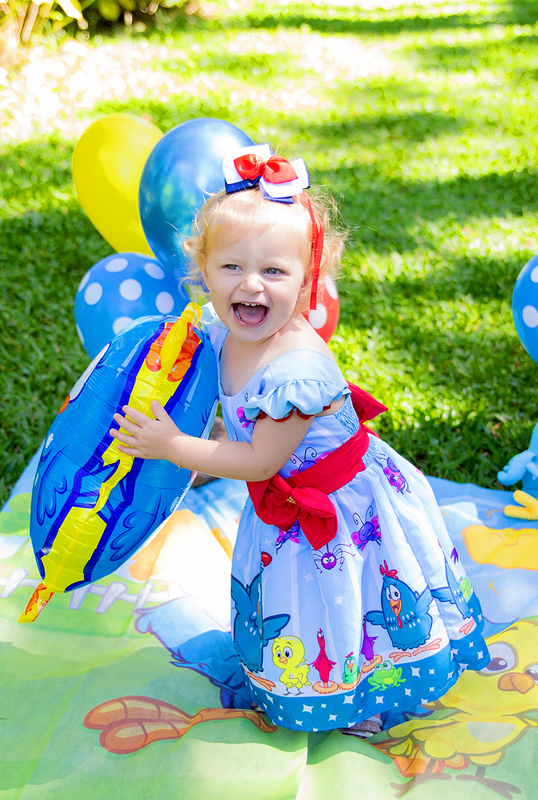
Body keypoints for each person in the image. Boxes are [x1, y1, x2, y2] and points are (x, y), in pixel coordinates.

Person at [111, 144, 489, 735]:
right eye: (231, 267)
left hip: (342, 509)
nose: (251, 286)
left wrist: (173, 447)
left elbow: (261, 458)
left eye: (274, 272)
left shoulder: (296, 370)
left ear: (309, 281)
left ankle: (358, 694)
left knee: (347, 599)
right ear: (201, 268)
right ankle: (310, 680)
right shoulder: (221, 331)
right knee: (301, 604)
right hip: (288, 504)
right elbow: (216, 396)